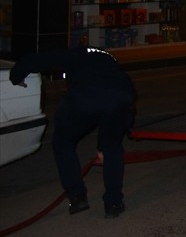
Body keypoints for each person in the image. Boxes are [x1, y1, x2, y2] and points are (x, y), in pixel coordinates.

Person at [8, 45, 136, 217]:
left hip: (84, 97)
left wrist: (16, 77)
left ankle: (77, 198)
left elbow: (35, 60)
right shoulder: (109, 58)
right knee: (112, 147)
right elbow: (110, 95)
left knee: (63, 143)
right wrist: (102, 145)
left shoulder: (75, 53)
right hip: (123, 97)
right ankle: (113, 204)